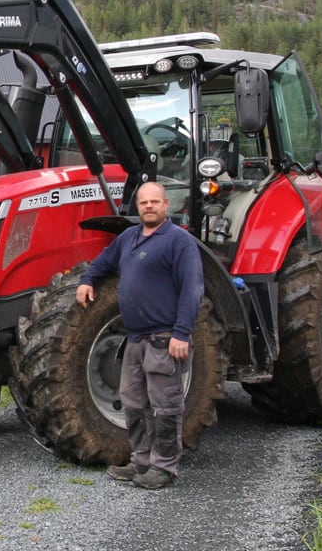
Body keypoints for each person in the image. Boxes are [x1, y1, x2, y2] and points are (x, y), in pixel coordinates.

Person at [76, 180, 203, 489]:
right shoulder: (128, 238)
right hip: (134, 340)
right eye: (144, 202)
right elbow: (104, 261)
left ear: (165, 206)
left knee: (166, 406)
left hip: (164, 339)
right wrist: (87, 278)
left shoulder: (178, 241)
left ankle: (164, 467)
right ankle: (141, 460)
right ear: (138, 207)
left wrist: (182, 333)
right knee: (134, 403)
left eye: (154, 202)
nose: (149, 206)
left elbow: (192, 288)